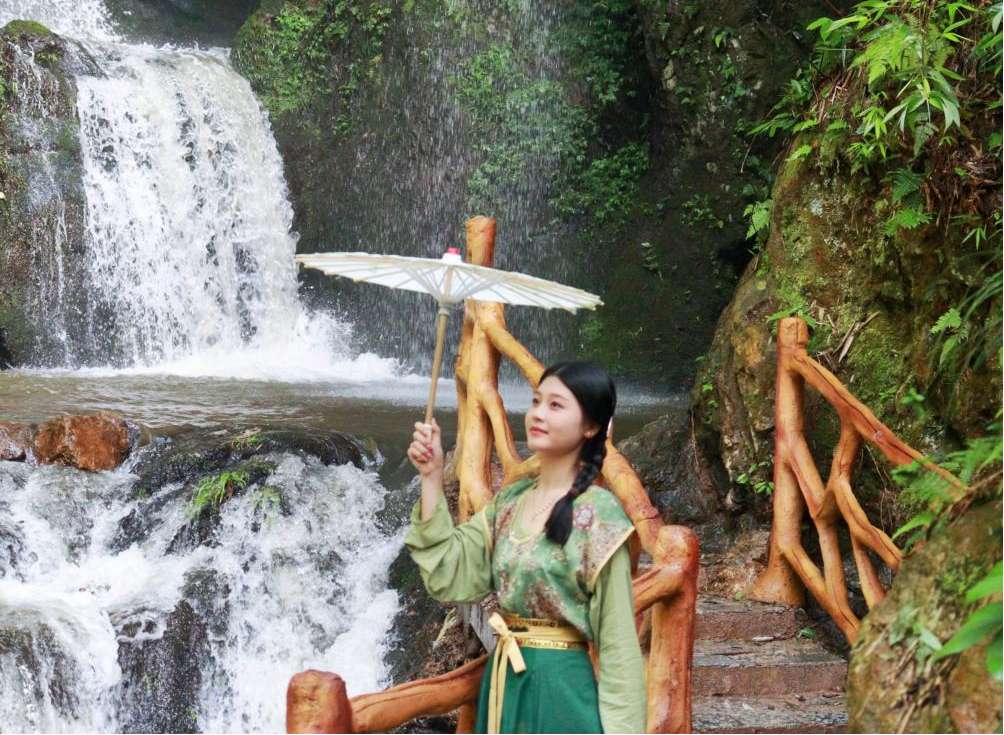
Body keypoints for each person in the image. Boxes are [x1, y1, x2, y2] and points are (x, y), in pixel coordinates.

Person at [404, 361, 647, 734]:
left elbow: (618, 645)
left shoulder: (599, 514)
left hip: (561, 693)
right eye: (536, 401)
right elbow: (449, 573)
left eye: (555, 405)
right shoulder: (510, 503)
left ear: (591, 426)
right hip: (505, 684)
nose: (538, 413)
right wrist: (432, 477)